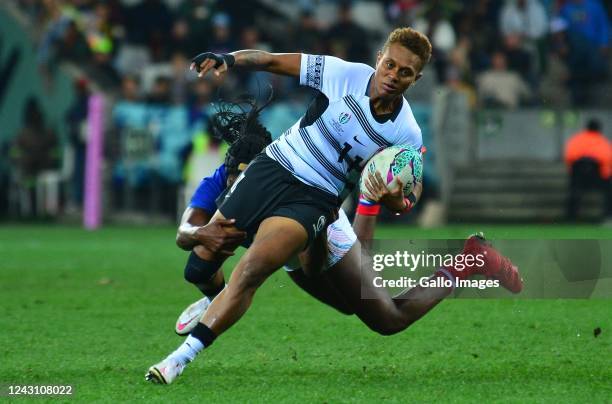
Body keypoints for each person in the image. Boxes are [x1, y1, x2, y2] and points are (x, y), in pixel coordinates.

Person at [146, 27, 522, 384]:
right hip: (274, 167)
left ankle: (181, 356)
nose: (393, 75)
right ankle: (215, 298)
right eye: (389, 64)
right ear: (379, 58)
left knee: (370, 313)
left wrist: (395, 198)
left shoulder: (406, 132)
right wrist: (230, 58)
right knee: (201, 260)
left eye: (405, 73)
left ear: (416, 79)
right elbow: (275, 61)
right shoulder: (345, 75)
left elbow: (412, 190)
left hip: (316, 200)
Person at [564, 119, 612, 220]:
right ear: (599, 129)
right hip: (598, 178)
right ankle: (608, 216)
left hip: (578, 177)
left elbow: (569, 157)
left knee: (574, 191)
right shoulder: (602, 142)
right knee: (609, 190)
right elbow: (607, 160)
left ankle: (571, 216)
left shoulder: (576, 140)